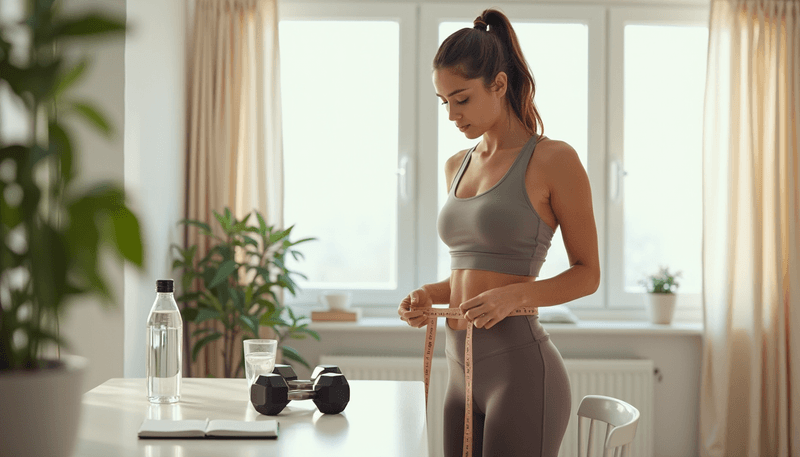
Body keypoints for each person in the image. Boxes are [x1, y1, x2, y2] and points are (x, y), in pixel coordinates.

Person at [397, 8, 600, 457]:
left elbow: (588, 274)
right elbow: (472, 274)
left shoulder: (553, 160)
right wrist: (429, 295)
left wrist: (516, 297)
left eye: (462, 98)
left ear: (500, 84)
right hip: (459, 374)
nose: (451, 114)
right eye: (443, 101)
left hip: (522, 375)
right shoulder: (457, 165)